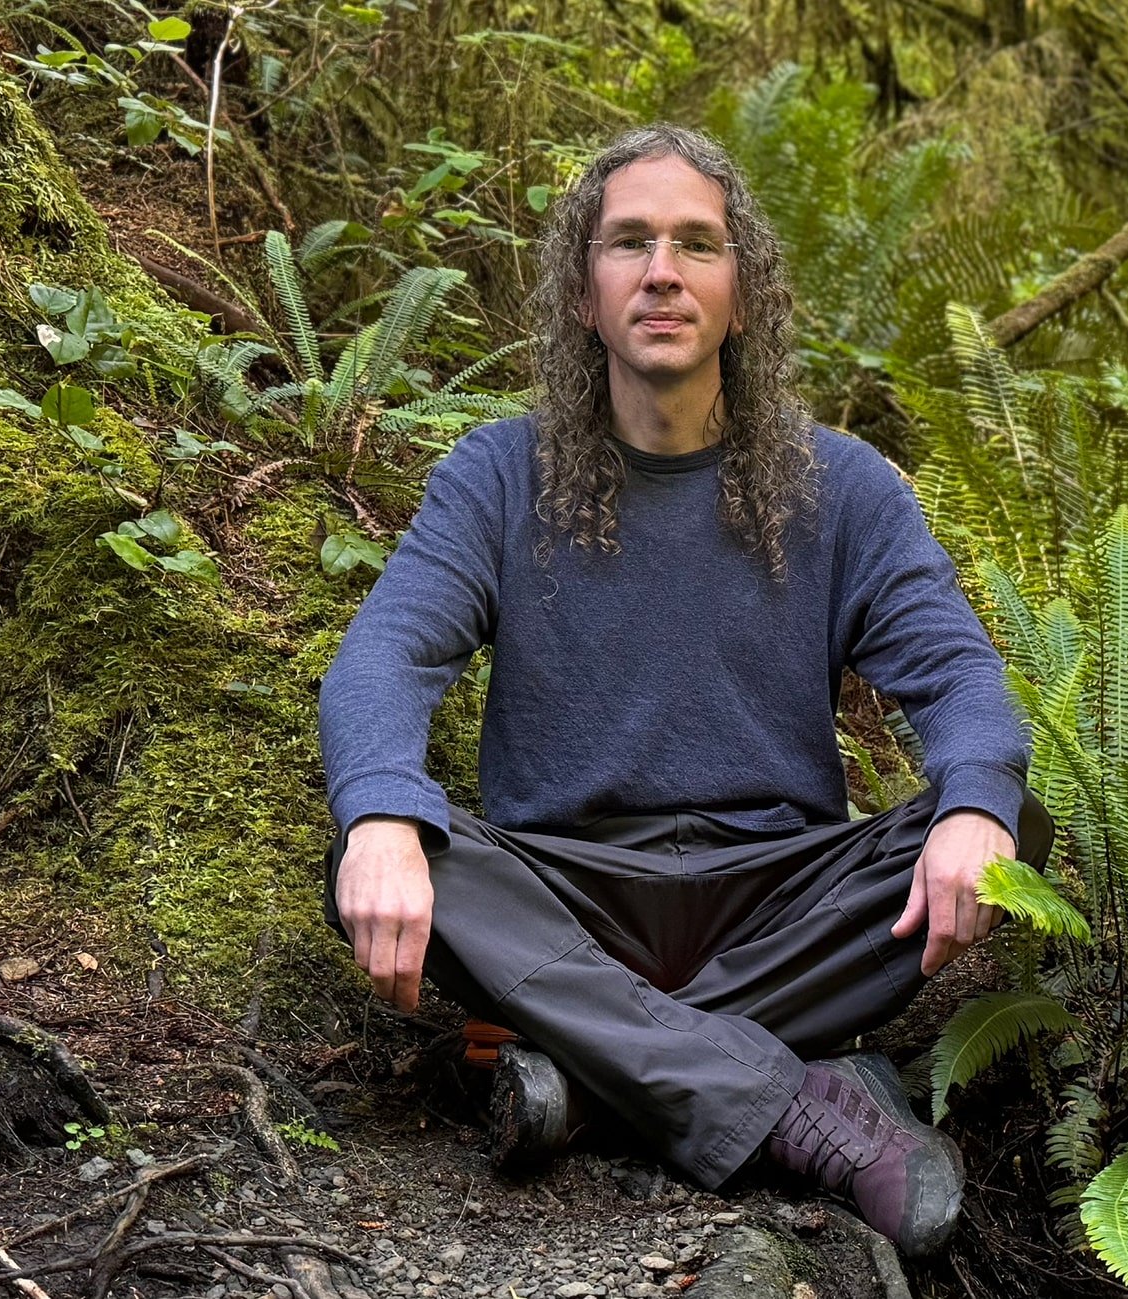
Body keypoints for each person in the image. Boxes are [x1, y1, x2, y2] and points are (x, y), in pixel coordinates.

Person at [318, 123, 1053, 1259]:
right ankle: (802, 1100)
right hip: (570, 897)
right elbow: (385, 657)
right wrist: (375, 814)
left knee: (1011, 821)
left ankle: (598, 1075)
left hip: (781, 893)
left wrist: (971, 807)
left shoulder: (842, 486)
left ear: (742, 292)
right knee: (395, 842)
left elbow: (958, 675)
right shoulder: (498, 476)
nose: (662, 270)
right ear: (584, 290)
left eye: (696, 244)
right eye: (629, 243)